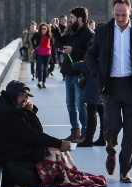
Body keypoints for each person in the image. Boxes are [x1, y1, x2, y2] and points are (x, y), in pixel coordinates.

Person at [0, 80, 107, 187]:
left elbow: (34, 132)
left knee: (51, 149)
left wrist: (30, 111)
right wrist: (59, 143)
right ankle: (61, 176)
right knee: (51, 151)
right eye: (21, 95)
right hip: (5, 154)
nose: (24, 99)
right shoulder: (8, 112)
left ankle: (63, 175)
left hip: (7, 148)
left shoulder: (7, 104)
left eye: (26, 96)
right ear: (13, 94)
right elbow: (33, 135)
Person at [87, 0, 132, 183]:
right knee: (112, 126)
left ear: (130, 12)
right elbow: (91, 55)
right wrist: (98, 77)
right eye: (117, 15)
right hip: (109, 87)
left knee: (129, 131)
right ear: (113, 12)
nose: (120, 19)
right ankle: (111, 151)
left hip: (131, 87)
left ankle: (124, 170)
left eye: (124, 15)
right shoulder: (103, 31)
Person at [51, 7, 94, 143]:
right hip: (68, 73)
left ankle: (86, 133)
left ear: (80, 19)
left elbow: (90, 55)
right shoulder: (72, 31)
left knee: (80, 104)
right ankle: (75, 131)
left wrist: (73, 50)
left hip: (79, 74)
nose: (69, 21)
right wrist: (55, 29)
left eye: (72, 18)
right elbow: (62, 41)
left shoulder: (88, 33)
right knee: (70, 104)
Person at [71, 57, 106, 147]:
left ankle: (88, 140)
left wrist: (76, 64)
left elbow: (88, 66)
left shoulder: (95, 51)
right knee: (102, 113)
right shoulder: (106, 52)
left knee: (91, 114)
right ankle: (103, 138)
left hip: (93, 86)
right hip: (103, 85)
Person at [31, 22, 53, 89]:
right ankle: (39, 81)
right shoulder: (37, 34)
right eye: (42, 29)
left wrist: (50, 48)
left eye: (45, 29)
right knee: (39, 67)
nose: (43, 30)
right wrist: (35, 47)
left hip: (47, 53)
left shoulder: (49, 35)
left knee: (45, 68)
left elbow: (52, 42)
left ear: (47, 29)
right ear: (40, 29)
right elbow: (32, 40)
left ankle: (44, 82)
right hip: (39, 53)